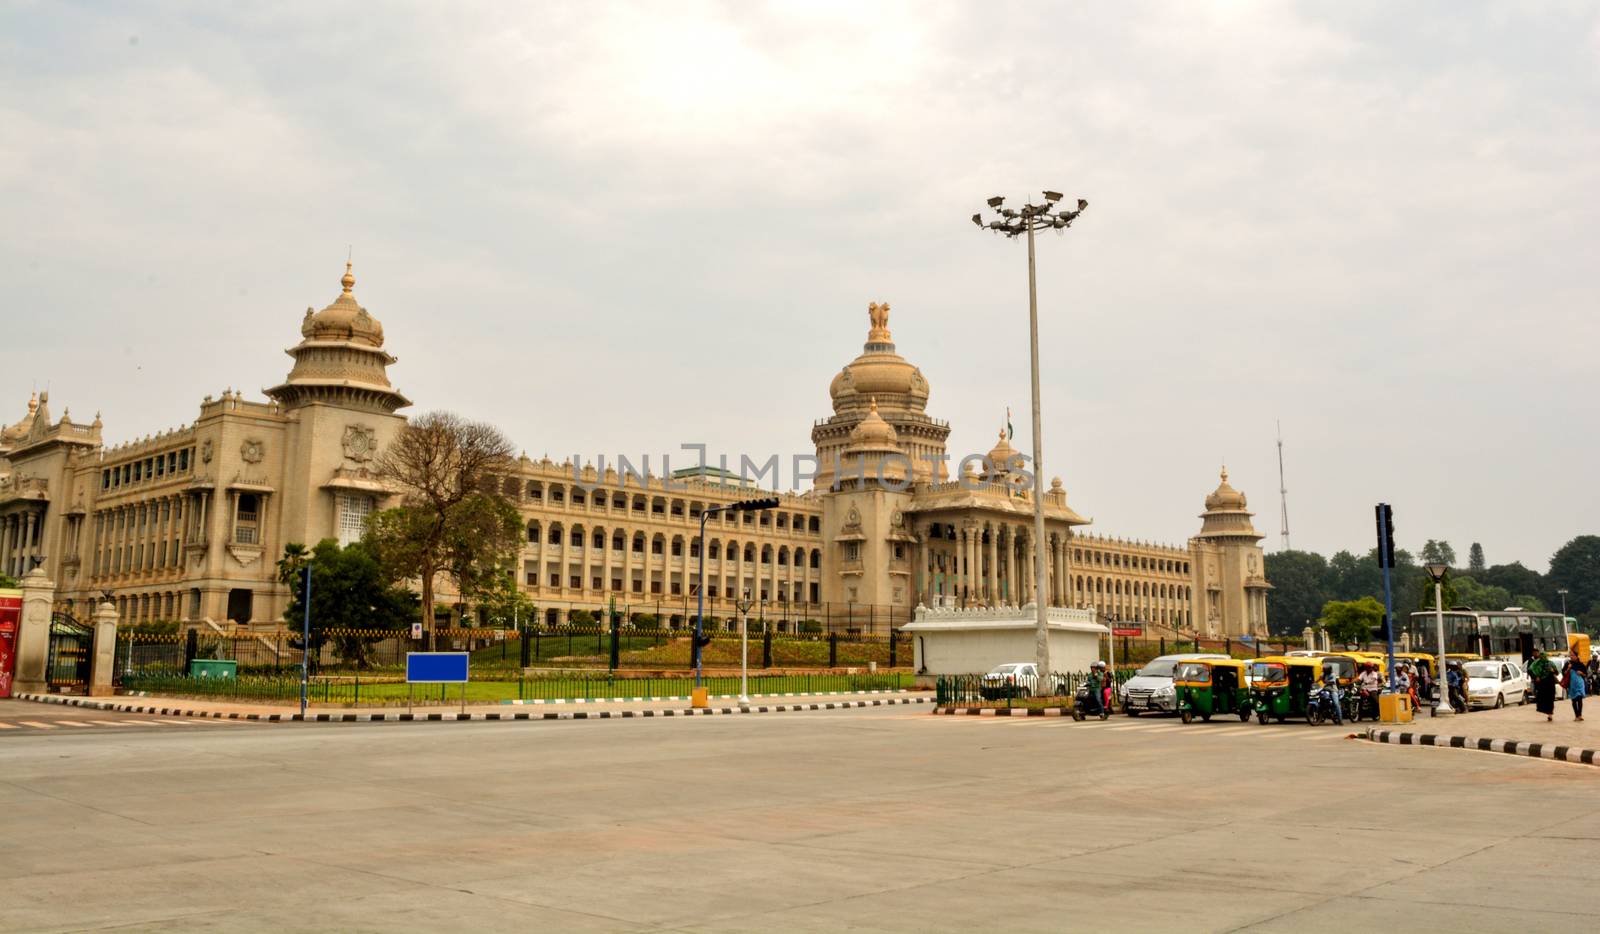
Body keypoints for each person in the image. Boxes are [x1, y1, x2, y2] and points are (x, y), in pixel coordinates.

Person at [1528, 650, 1558, 722]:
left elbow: (1556, 672)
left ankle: (1550, 714)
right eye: (1541, 657)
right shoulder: (1536, 663)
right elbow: (1530, 670)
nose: (1543, 658)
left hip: (1550, 684)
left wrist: (1552, 671)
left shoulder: (1551, 663)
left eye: (1544, 657)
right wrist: (1536, 677)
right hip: (1542, 684)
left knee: (1550, 699)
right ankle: (1546, 711)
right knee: (1542, 698)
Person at [1562, 654, 1586, 722]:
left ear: (1577, 656)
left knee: (1579, 699)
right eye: (1571, 656)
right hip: (1571, 685)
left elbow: (1585, 674)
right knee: (1574, 700)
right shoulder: (1568, 664)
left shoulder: (1581, 664)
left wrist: (1581, 673)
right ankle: (1576, 715)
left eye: (1573, 655)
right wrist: (1568, 668)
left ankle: (1580, 715)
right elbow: (1564, 673)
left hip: (1580, 684)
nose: (1571, 657)